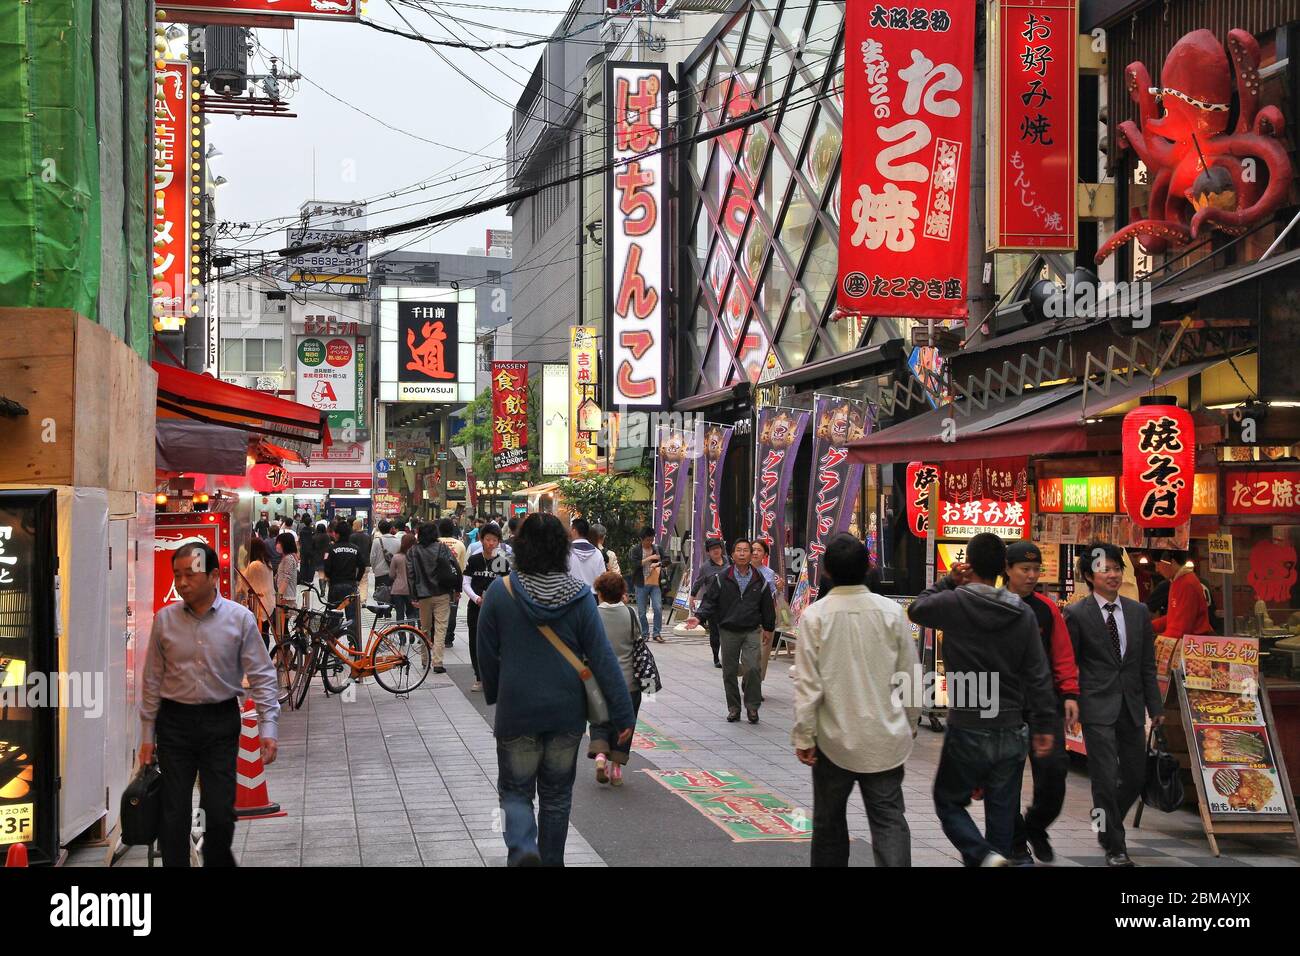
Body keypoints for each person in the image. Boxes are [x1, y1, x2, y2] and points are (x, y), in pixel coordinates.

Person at [476, 513, 635, 866]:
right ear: (561, 549)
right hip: (566, 713)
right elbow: (602, 657)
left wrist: (496, 690)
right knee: (557, 795)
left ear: (520, 547)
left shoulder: (501, 593)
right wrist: (623, 712)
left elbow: (484, 649)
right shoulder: (579, 596)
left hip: (517, 710)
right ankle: (551, 861)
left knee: (516, 792)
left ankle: (522, 850)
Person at [907, 533, 1056, 868]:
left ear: (968, 564)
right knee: (1002, 816)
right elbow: (1038, 673)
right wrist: (1045, 724)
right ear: (1004, 568)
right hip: (1011, 725)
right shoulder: (1023, 614)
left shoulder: (954, 602)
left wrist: (947, 581)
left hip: (968, 724)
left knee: (948, 801)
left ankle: (983, 855)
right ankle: (995, 855)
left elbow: (917, 610)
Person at [139, 542, 280, 867]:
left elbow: (262, 674)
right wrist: (147, 735)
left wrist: (268, 726)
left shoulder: (239, 619)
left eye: (191, 574)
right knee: (173, 812)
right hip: (174, 724)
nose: (182, 582)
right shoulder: (165, 620)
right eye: (177, 575)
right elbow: (151, 680)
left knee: (218, 810)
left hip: (220, 722)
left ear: (214, 575)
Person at [792, 533, 918, 867]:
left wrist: (804, 735)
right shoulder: (892, 613)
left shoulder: (816, 616)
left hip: (833, 739)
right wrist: (912, 722)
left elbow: (808, 684)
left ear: (827, 572)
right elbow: (910, 675)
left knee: (829, 824)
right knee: (889, 820)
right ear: (868, 569)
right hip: (885, 737)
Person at [1064, 542, 1164, 868]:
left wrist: (1156, 707)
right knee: (1104, 777)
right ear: (1088, 576)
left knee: (1135, 776)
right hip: (1096, 706)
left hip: (1132, 706)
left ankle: (1105, 826)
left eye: (1116, 568)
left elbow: (1147, 665)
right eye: (1104, 569)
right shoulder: (1077, 614)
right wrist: (1071, 700)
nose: (1112, 574)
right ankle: (1116, 848)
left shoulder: (1138, 612)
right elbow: (1069, 663)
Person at [1003, 541, 1080, 865]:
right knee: (1005, 781)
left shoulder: (1047, 609)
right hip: (1004, 705)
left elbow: (1062, 654)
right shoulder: (994, 604)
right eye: (1025, 569)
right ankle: (1017, 842)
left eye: (1036, 569)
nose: (1032, 575)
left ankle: (1036, 825)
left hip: (1042, 706)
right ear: (1007, 569)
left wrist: (1071, 693)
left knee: (1053, 775)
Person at [690, 538, 775, 724]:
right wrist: (698, 617)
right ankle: (734, 708)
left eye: (746, 550)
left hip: (752, 630)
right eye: (739, 550)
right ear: (732, 554)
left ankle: (752, 707)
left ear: (751, 554)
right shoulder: (722, 578)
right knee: (729, 671)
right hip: (728, 630)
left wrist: (769, 627)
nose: (743, 553)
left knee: (753, 668)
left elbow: (767, 605)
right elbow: (710, 601)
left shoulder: (759, 579)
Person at [590, 571, 644, 787]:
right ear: (622, 592)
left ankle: (600, 755)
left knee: (599, 718)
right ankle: (617, 768)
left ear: (600, 592)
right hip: (628, 680)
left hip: (599, 679)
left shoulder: (593, 614)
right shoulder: (630, 614)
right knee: (625, 722)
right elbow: (638, 641)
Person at [463, 523, 510, 692]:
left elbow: (508, 585)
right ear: (481, 540)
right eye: (488, 539)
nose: (491, 543)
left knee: (495, 643)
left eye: (494, 540)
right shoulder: (474, 560)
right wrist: (476, 598)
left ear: (498, 542)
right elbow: (466, 583)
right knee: (475, 642)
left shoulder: (502, 561)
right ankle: (479, 677)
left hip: (496, 609)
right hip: (476, 608)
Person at [408, 522, 458, 674]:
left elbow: (410, 574)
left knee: (424, 628)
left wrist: (413, 595)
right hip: (442, 592)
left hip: (423, 594)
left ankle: (425, 660)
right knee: (441, 628)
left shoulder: (413, 550)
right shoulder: (442, 547)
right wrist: (455, 588)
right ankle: (437, 662)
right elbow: (453, 567)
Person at [1151, 551, 1213, 640]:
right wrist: (1149, 626)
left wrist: (1158, 641)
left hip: (1192, 645)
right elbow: (1174, 617)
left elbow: (1180, 629)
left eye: (1158, 564)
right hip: (1185, 641)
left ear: (1171, 562)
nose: (1157, 569)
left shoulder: (1187, 583)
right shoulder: (1177, 581)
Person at [323, 519, 363, 651]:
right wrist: (357, 580)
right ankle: (353, 645)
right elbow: (362, 566)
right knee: (352, 617)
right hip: (350, 587)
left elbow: (327, 568)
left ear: (337, 534)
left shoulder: (332, 549)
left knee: (334, 616)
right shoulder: (356, 549)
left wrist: (330, 578)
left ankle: (332, 646)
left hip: (335, 587)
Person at [691, 538, 730, 667]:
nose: (716, 551)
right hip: (713, 603)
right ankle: (716, 657)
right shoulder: (705, 567)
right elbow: (698, 582)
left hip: (729, 603)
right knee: (715, 632)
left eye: (718, 548)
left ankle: (728, 656)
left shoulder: (729, 561)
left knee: (728, 631)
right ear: (708, 552)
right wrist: (692, 596)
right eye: (713, 549)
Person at [627, 527, 669, 644]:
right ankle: (645, 633)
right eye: (647, 540)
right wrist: (649, 558)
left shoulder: (657, 548)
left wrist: (658, 563)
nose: (649, 542)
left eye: (651, 540)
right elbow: (634, 564)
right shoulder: (636, 550)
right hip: (641, 583)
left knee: (658, 608)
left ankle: (657, 633)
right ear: (641, 539)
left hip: (655, 583)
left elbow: (667, 560)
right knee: (641, 611)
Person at [749, 539, 781, 680]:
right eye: (753, 549)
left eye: (759, 550)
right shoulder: (740, 569)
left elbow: (774, 597)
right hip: (746, 618)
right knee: (748, 654)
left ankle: (756, 685)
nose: (755, 552)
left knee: (763, 654)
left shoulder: (769, 573)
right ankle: (748, 678)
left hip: (764, 619)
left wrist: (779, 589)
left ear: (765, 555)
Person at [237, 536, 276, 644]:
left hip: (259, 605)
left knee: (259, 634)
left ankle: (262, 658)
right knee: (265, 632)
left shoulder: (255, 565)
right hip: (269, 603)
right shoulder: (267, 563)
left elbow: (243, 583)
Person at [438, 518, 467, 648]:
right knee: (452, 610)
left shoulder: (435, 543)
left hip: (437, 582)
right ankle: (449, 638)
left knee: (437, 610)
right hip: (454, 582)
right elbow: (462, 567)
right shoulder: (460, 545)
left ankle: (438, 635)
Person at [567, 517, 606, 591]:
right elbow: (602, 578)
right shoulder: (597, 553)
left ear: (574, 531)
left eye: (571, 529)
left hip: (571, 595)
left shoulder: (567, 552)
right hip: (592, 596)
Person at [390, 533, 416, 623]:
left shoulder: (396, 557)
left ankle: (401, 636)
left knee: (399, 614)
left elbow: (391, 575)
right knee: (411, 613)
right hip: (411, 590)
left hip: (398, 589)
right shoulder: (415, 557)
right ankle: (412, 634)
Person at [370, 519, 401, 593]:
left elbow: (372, 558)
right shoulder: (398, 541)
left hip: (380, 573)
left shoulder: (376, 541)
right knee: (393, 597)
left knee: (380, 597)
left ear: (380, 530)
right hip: (394, 573)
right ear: (390, 529)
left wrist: (375, 569)